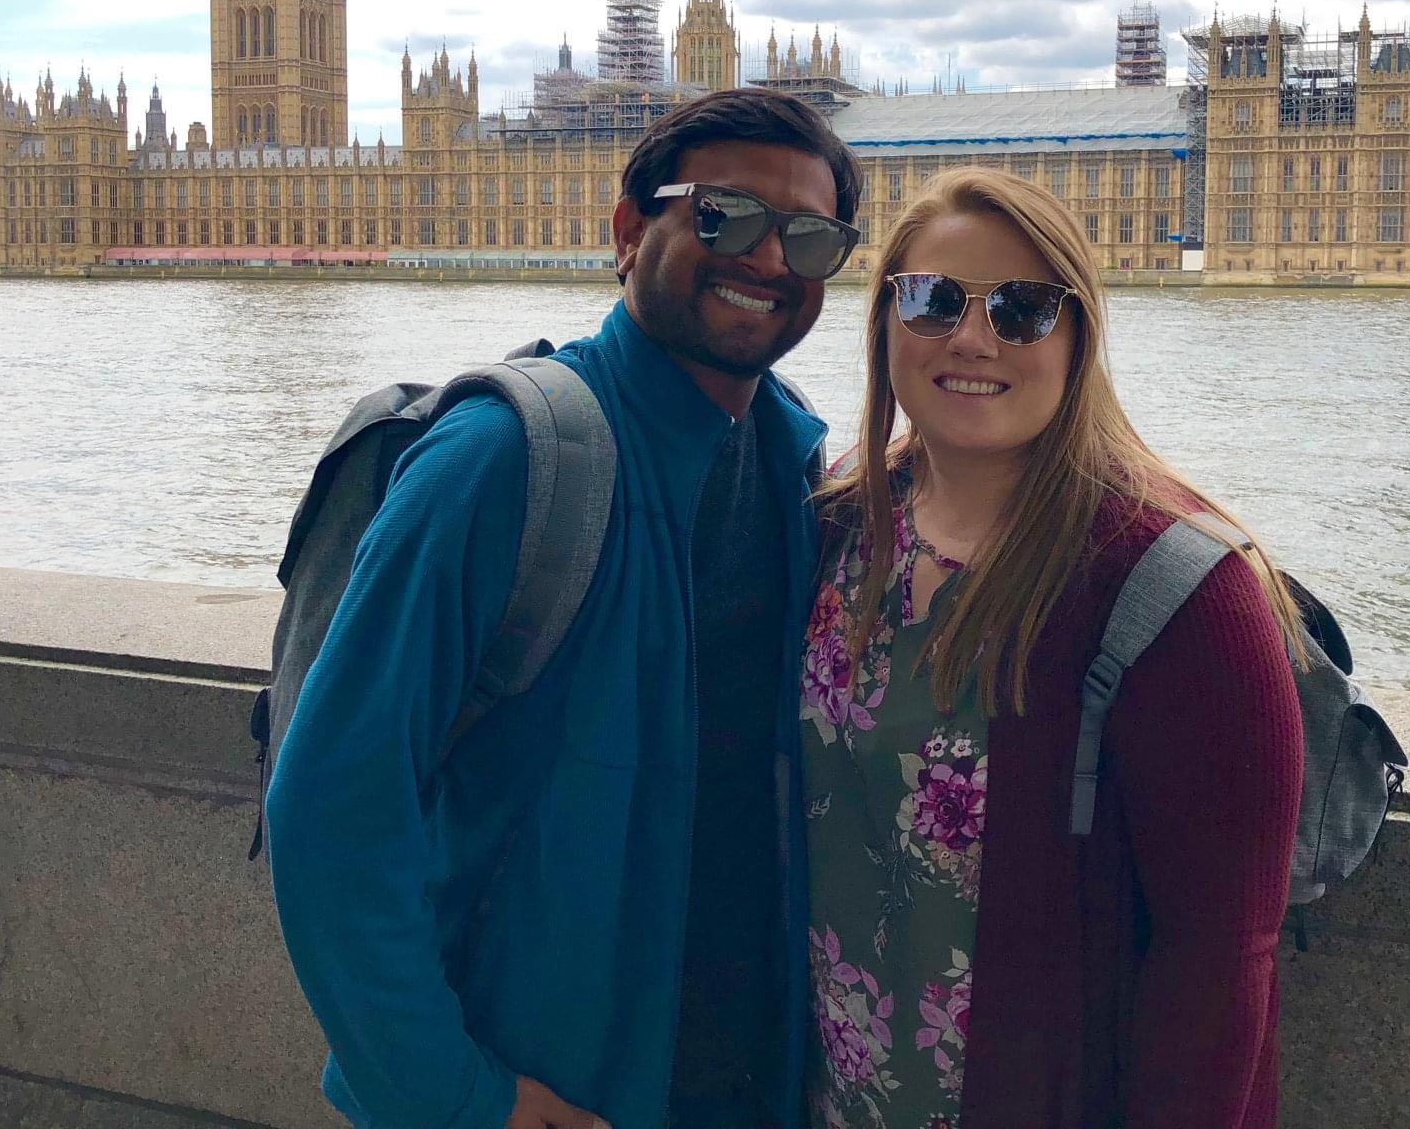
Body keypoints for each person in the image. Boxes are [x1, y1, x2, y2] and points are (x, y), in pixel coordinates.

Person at [267, 88, 862, 1129]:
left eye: (809, 239)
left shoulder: (799, 466)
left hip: (742, 1082)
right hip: (541, 1093)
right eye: (725, 216)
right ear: (630, 230)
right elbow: (331, 805)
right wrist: (455, 1100)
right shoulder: (501, 461)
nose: (768, 260)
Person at [802, 168, 1306, 1128]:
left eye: (1024, 309)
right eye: (931, 299)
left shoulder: (1184, 593)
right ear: (882, 321)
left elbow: (1219, 972)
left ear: (1079, 338)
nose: (972, 337)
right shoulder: (843, 525)